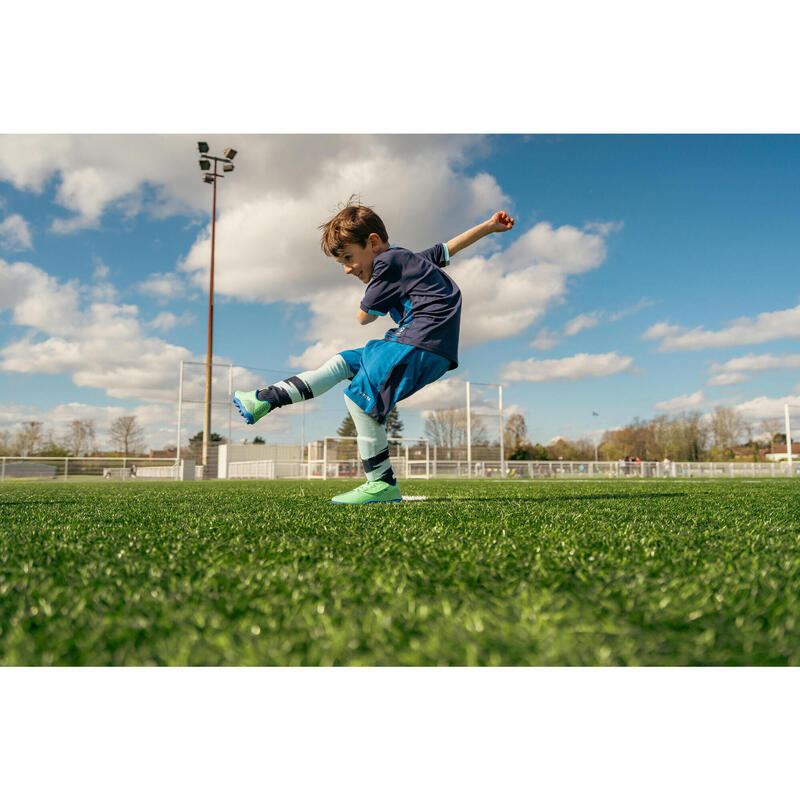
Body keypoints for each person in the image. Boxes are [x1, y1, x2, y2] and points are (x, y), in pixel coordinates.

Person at [232, 197, 515, 503]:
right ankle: (264, 399)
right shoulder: (410, 261)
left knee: (359, 398)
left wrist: (374, 294)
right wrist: (489, 226)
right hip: (419, 342)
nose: (346, 269)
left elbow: (364, 317)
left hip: (420, 341)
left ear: (373, 242)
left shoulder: (388, 263)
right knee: (342, 363)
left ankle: (381, 483)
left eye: (348, 258)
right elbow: (449, 247)